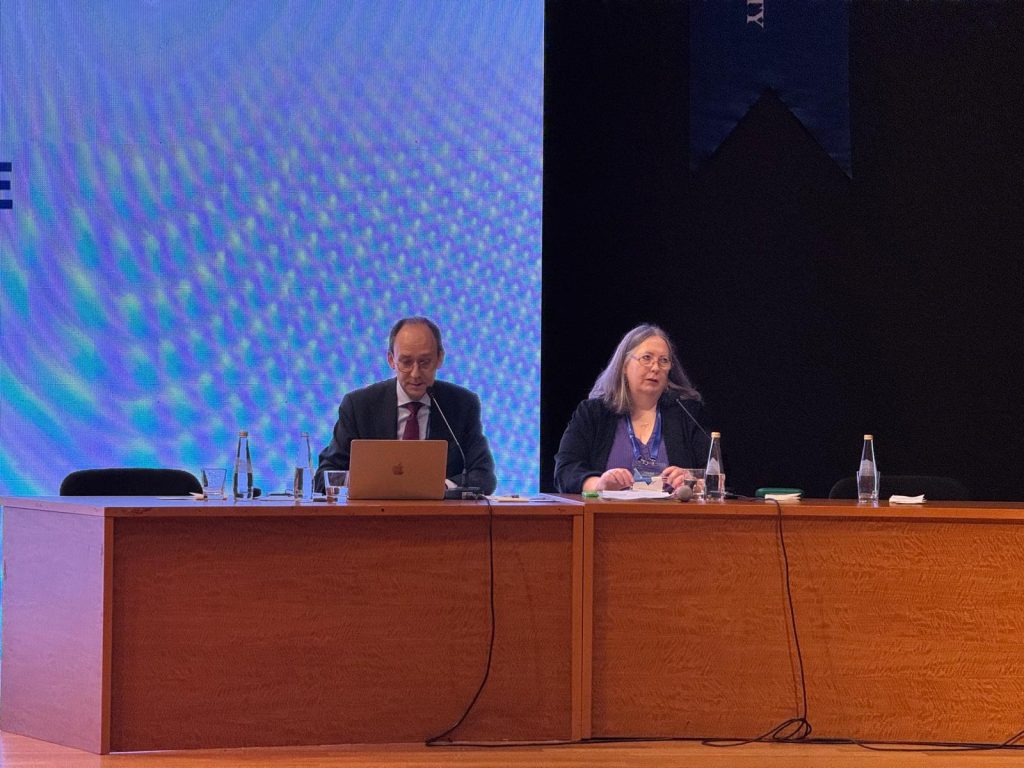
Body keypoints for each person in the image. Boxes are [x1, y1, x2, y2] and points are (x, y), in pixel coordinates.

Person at [315, 317, 497, 495]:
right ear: (391, 360)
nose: (415, 373)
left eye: (424, 362)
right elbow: (324, 477)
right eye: (406, 362)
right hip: (375, 512)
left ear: (439, 358)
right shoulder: (359, 406)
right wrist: (365, 481)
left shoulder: (462, 404)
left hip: (439, 513)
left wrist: (442, 486)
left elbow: (483, 476)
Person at [553, 323, 711, 494]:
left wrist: (693, 481)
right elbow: (565, 472)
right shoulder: (593, 413)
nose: (655, 367)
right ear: (624, 365)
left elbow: (716, 475)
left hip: (673, 512)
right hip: (608, 511)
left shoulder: (686, 414)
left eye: (663, 361)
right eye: (646, 358)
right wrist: (600, 485)